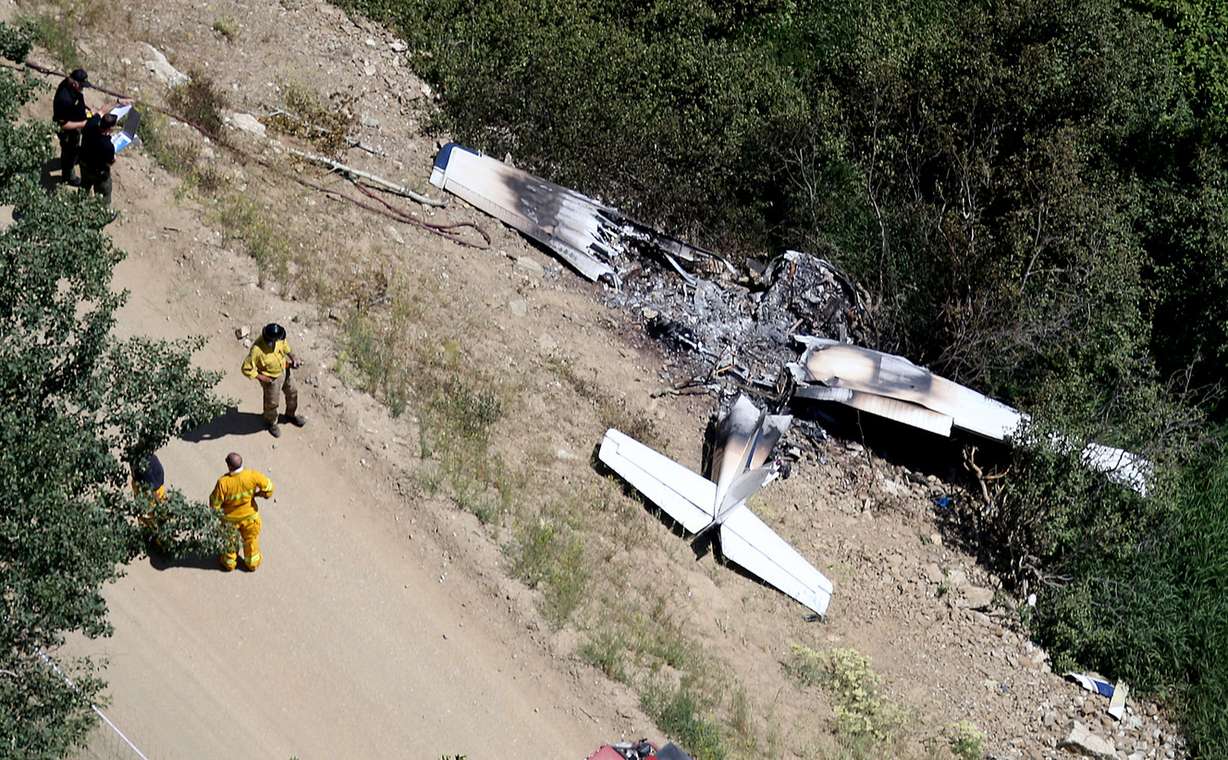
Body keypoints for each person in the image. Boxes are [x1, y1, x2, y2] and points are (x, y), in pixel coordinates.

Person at [51, 69, 125, 186]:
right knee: (69, 152)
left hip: (77, 122)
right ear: (75, 83)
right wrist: (83, 124)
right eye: (81, 86)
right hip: (67, 132)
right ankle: (68, 176)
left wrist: (85, 108)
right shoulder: (64, 99)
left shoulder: (73, 88)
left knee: (75, 148)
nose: (82, 88)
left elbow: (78, 102)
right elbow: (63, 124)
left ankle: (75, 158)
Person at [209, 452, 273, 572]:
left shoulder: (223, 483)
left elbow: (215, 504)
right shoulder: (252, 475)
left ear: (229, 466)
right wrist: (258, 494)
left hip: (230, 521)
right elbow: (269, 489)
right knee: (251, 541)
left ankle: (229, 563)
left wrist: (216, 520)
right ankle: (252, 563)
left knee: (230, 542)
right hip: (251, 519)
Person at [241, 323, 307, 438]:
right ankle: (271, 423)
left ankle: (290, 415)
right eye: (277, 339)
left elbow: (286, 347)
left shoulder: (278, 339)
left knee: (292, 392)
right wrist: (262, 378)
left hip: (285, 371)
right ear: (271, 339)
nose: (280, 340)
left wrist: (293, 358)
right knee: (272, 404)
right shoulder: (257, 350)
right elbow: (246, 369)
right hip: (271, 380)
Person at [79, 113, 118, 205]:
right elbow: (110, 163)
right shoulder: (108, 146)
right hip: (98, 173)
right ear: (110, 129)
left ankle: (79, 204)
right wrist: (114, 159)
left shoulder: (90, 124)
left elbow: (98, 113)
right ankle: (101, 210)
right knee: (103, 195)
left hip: (84, 164)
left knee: (84, 186)